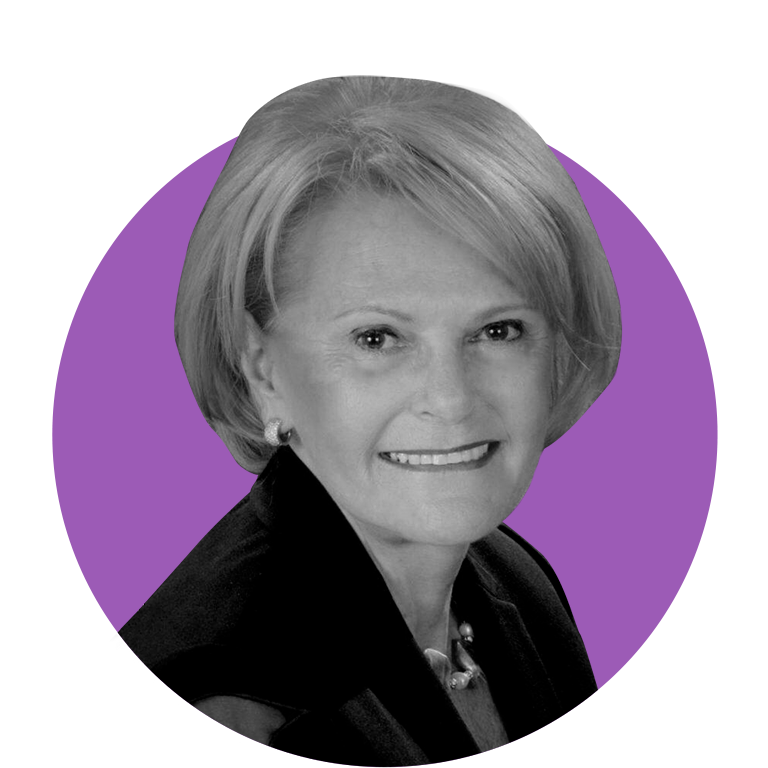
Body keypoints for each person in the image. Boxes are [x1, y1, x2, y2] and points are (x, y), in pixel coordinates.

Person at [113, 75, 621, 765]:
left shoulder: (517, 579)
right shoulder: (225, 706)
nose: (451, 399)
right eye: (377, 338)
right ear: (263, 370)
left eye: (498, 330)